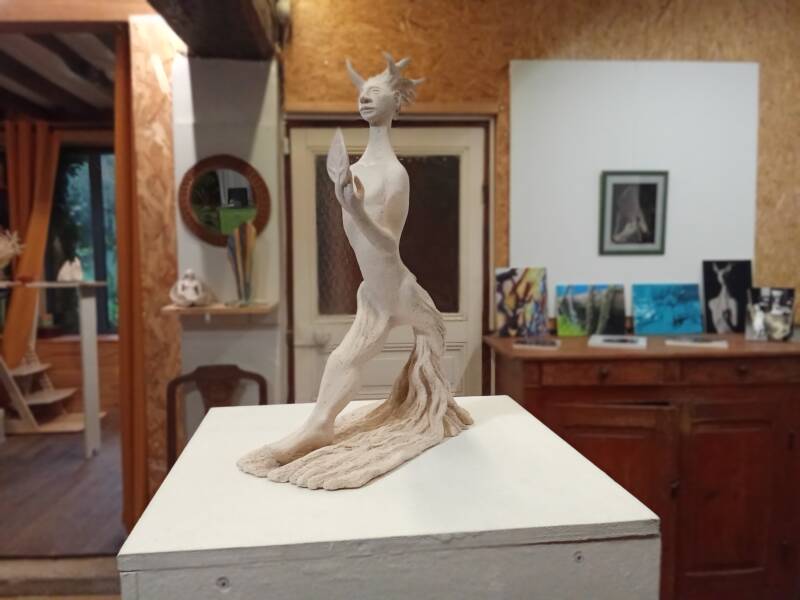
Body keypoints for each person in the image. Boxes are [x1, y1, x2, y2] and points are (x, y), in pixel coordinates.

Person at [237, 54, 472, 490]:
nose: (364, 97)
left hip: (397, 290)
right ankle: (321, 425)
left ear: (395, 103)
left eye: (374, 91)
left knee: (355, 358)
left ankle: (334, 423)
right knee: (342, 359)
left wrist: (356, 210)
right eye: (361, 92)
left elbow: (388, 245)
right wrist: (350, 202)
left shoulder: (395, 175)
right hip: (374, 294)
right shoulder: (356, 171)